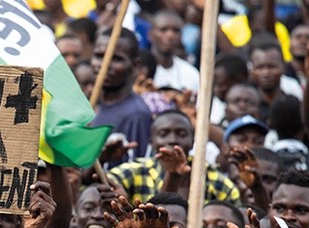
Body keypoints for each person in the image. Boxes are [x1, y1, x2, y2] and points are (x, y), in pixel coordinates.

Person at [108, 110, 241, 206]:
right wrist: (102, 159)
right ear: (152, 141)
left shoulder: (217, 182)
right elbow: (100, 185)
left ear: (193, 140)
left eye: (181, 134)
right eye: (164, 134)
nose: (173, 140)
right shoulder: (134, 171)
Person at [90, 27, 153, 160]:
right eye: (99, 56)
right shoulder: (87, 106)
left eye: (116, 59)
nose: (104, 65)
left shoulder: (136, 114)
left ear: (135, 65)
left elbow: (134, 169)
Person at [149, 10, 200, 92]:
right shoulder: (140, 69)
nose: (170, 36)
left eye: (176, 31)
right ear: (150, 35)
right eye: (163, 30)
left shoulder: (191, 74)